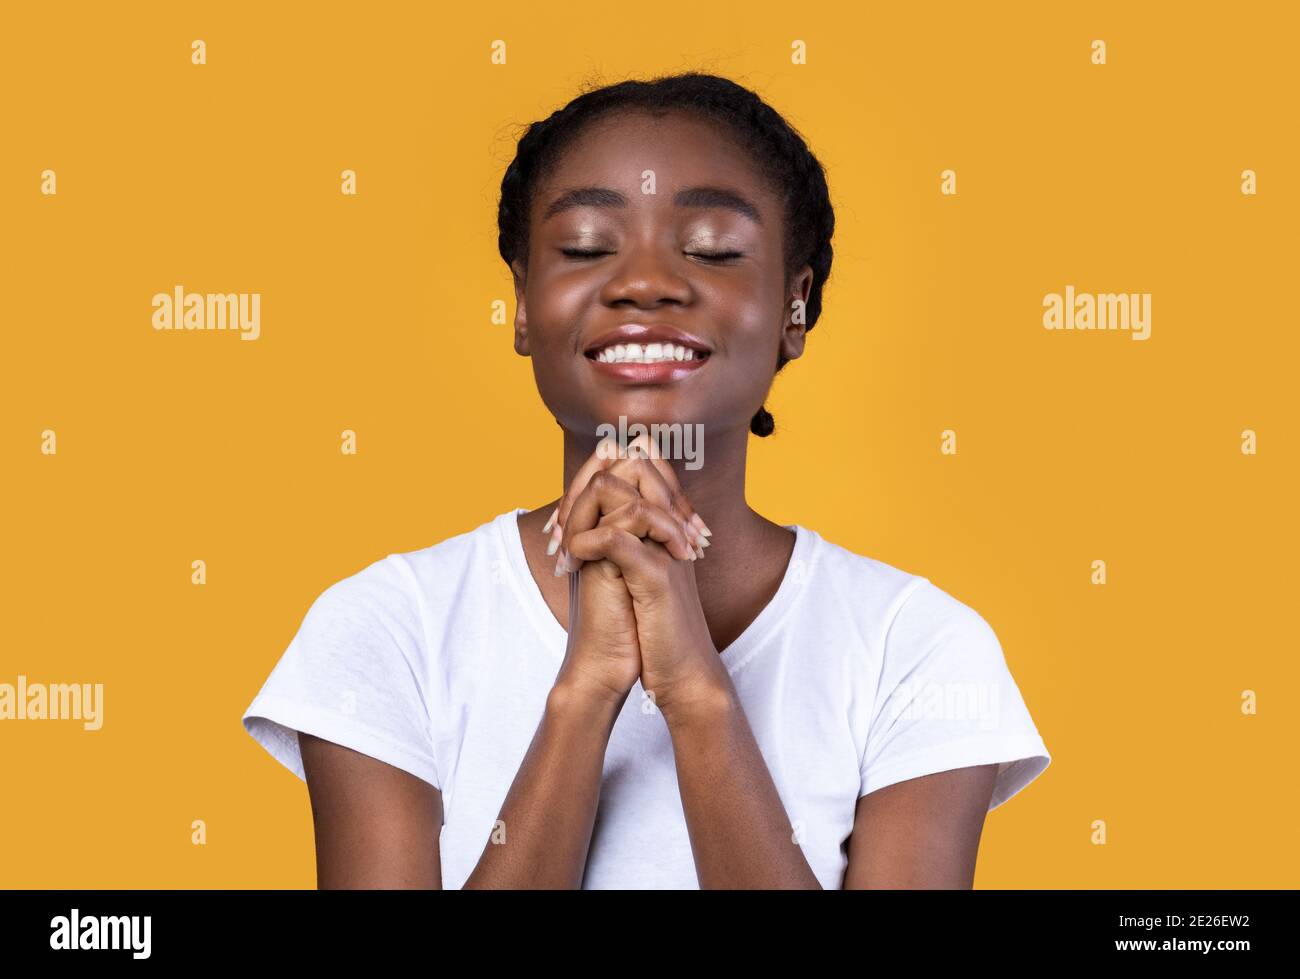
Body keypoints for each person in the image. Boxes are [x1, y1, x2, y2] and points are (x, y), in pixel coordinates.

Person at [242, 71, 1050, 889]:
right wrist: (584, 692)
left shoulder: (917, 649)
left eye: (713, 249)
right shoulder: (387, 628)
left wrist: (697, 694)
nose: (645, 282)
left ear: (793, 308)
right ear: (524, 304)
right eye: (588, 245)